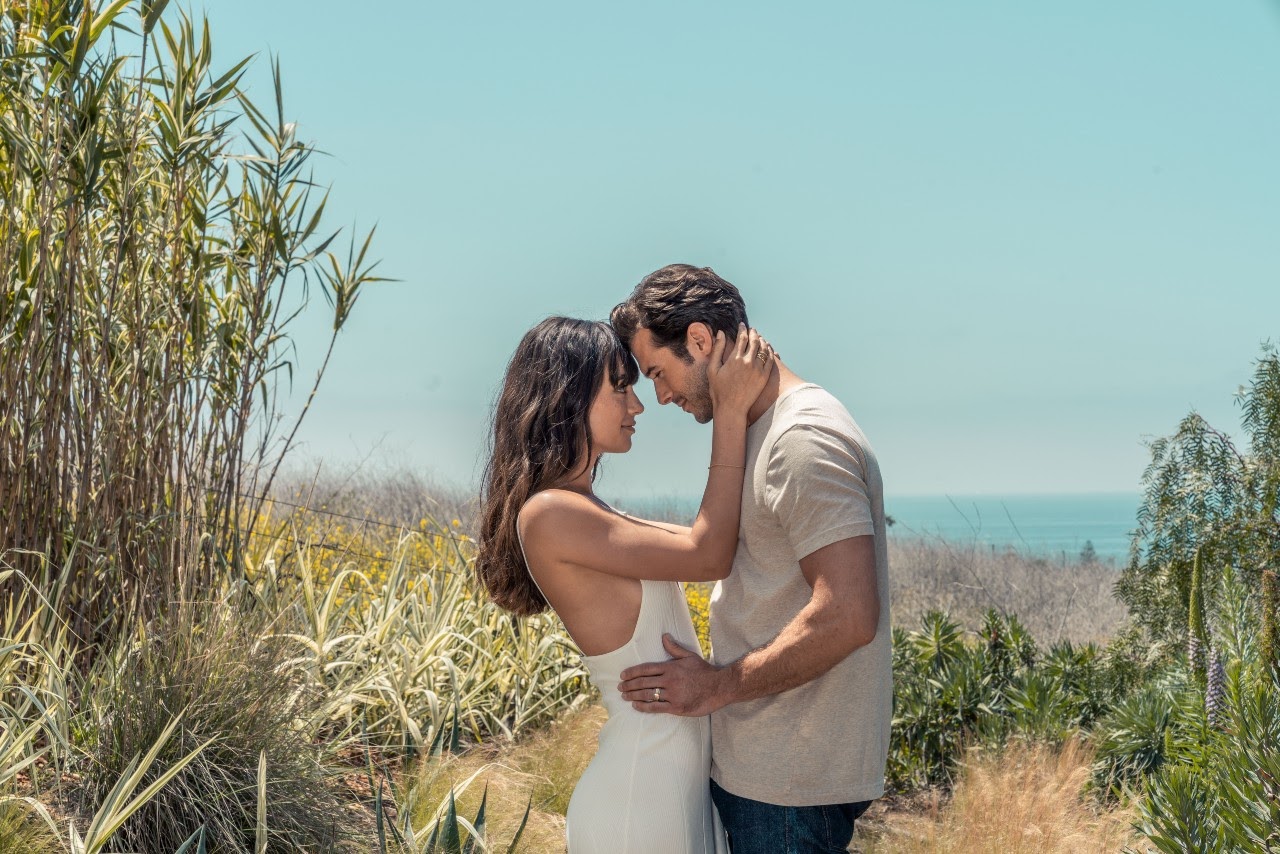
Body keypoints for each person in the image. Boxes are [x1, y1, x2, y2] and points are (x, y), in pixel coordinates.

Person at [610, 264, 891, 854]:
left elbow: (849, 613)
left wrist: (715, 688)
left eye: (658, 373)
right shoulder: (761, 431)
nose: (658, 396)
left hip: (787, 786)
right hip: (770, 774)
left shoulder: (802, 438)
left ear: (700, 340)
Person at [475, 315, 774, 853]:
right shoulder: (549, 515)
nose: (637, 406)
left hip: (672, 793)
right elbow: (709, 553)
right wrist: (729, 411)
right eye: (620, 387)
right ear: (568, 394)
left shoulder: (591, 512)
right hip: (640, 801)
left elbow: (713, 542)